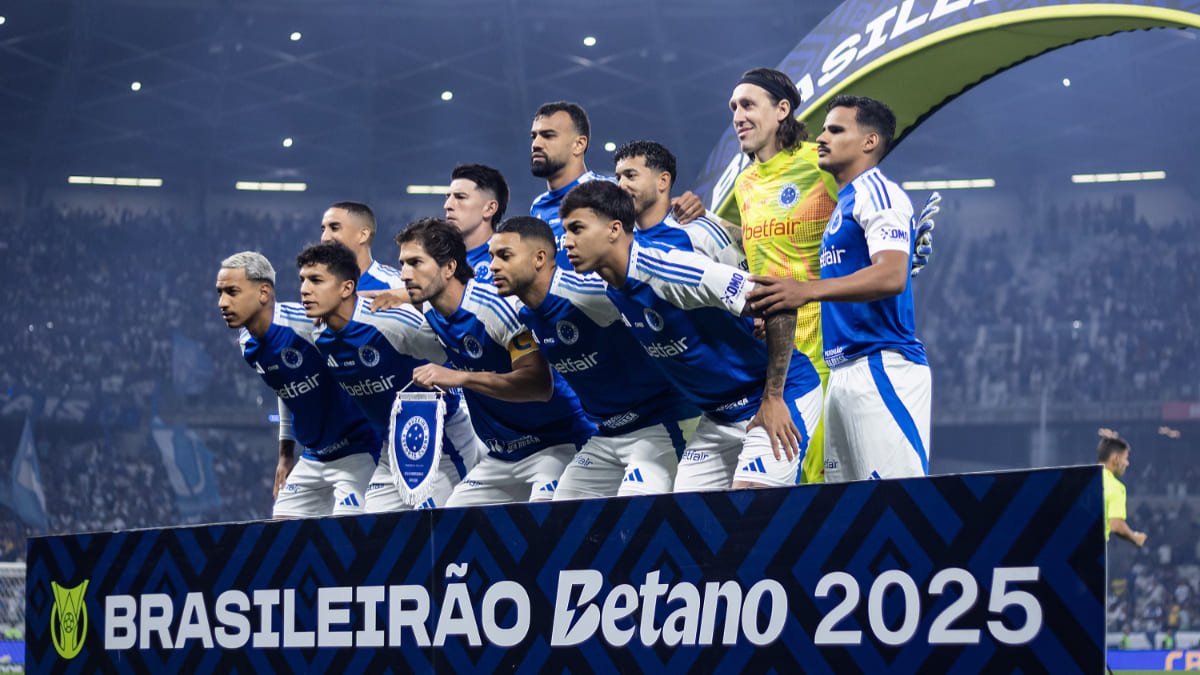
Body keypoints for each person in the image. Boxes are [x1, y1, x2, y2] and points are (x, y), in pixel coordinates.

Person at [728, 68, 940, 484]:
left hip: (865, 358)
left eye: (747, 104)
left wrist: (898, 252)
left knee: (895, 504)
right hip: (816, 363)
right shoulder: (751, 185)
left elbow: (887, 262)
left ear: (782, 110)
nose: (737, 115)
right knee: (835, 505)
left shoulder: (841, 175)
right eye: (733, 107)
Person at [561, 180, 822, 491]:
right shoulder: (607, 288)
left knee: (754, 505)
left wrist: (774, 398)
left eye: (577, 229)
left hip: (774, 395)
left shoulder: (671, 269)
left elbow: (780, 303)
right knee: (689, 515)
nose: (567, 242)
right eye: (565, 232)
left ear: (614, 229)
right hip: (717, 417)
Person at [489, 215, 699, 499]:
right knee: (563, 514)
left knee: (639, 515)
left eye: (505, 256)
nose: (493, 266)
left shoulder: (590, 293)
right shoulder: (523, 313)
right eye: (491, 257)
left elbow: (669, 309)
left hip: (660, 423)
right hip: (605, 435)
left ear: (539, 258)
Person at [397, 218, 596, 505]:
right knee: (453, 520)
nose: (405, 274)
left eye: (415, 263)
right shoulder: (430, 309)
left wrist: (461, 378)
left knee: (548, 523)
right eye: (402, 264)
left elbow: (539, 385)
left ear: (449, 268)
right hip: (501, 456)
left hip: (555, 444)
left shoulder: (495, 307)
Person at [297, 241, 482, 511]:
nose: (304, 289)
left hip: (443, 441)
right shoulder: (318, 335)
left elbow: (457, 354)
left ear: (346, 288)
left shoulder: (390, 322)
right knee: (376, 528)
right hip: (392, 447)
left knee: (433, 529)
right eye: (302, 280)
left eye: (315, 280)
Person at [216, 251, 380, 517]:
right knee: (281, 533)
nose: (222, 303)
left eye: (232, 292)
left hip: (358, 452)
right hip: (313, 457)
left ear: (263, 293)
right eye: (220, 293)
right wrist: (285, 454)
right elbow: (286, 390)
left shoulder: (306, 323)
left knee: (348, 535)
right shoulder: (247, 345)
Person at [528, 101, 705, 269]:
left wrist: (690, 207)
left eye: (548, 136)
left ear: (579, 144)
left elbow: (661, 214)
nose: (536, 144)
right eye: (534, 136)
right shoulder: (538, 207)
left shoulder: (612, 190)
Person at [613, 139, 745, 269]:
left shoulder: (702, 233)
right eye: (618, 178)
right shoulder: (615, 242)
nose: (621, 185)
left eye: (630, 176)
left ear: (663, 181)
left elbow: (747, 279)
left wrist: (711, 218)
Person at [444, 164, 509, 283]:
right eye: (448, 197)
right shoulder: (439, 261)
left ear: (490, 208)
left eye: (460, 197)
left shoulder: (509, 262)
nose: (447, 205)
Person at [319, 201, 404, 292]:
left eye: (334, 228)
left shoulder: (396, 284)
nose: (324, 238)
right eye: (323, 230)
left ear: (363, 235)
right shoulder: (316, 284)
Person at [1098, 430, 1147, 547]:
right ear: (1115, 459)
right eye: (1125, 458)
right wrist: (1135, 538)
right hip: (1089, 551)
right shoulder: (1114, 487)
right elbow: (1116, 526)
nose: (1127, 463)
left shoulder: (1081, 478)